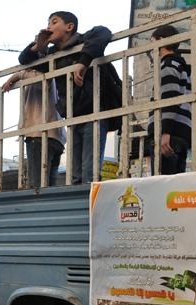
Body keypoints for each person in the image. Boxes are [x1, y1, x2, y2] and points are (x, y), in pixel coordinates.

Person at [18, 11, 115, 185]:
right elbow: (24, 59)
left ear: (69, 27)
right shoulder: (53, 55)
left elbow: (104, 32)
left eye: (54, 22)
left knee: (89, 171)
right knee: (75, 173)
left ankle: (90, 205)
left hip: (95, 112)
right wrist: (37, 46)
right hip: (73, 115)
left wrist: (83, 61)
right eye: (47, 23)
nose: (48, 27)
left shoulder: (84, 41)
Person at [3, 69, 66, 188]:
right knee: (50, 188)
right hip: (57, 136)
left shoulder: (39, 75)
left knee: (37, 187)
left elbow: (41, 81)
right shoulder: (55, 71)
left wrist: (16, 76)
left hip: (40, 135)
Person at [145, 25, 192, 175]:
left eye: (153, 41)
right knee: (175, 186)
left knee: (162, 187)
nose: (151, 48)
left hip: (169, 135)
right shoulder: (180, 66)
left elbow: (169, 98)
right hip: (180, 133)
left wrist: (164, 132)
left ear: (162, 41)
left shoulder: (167, 64)